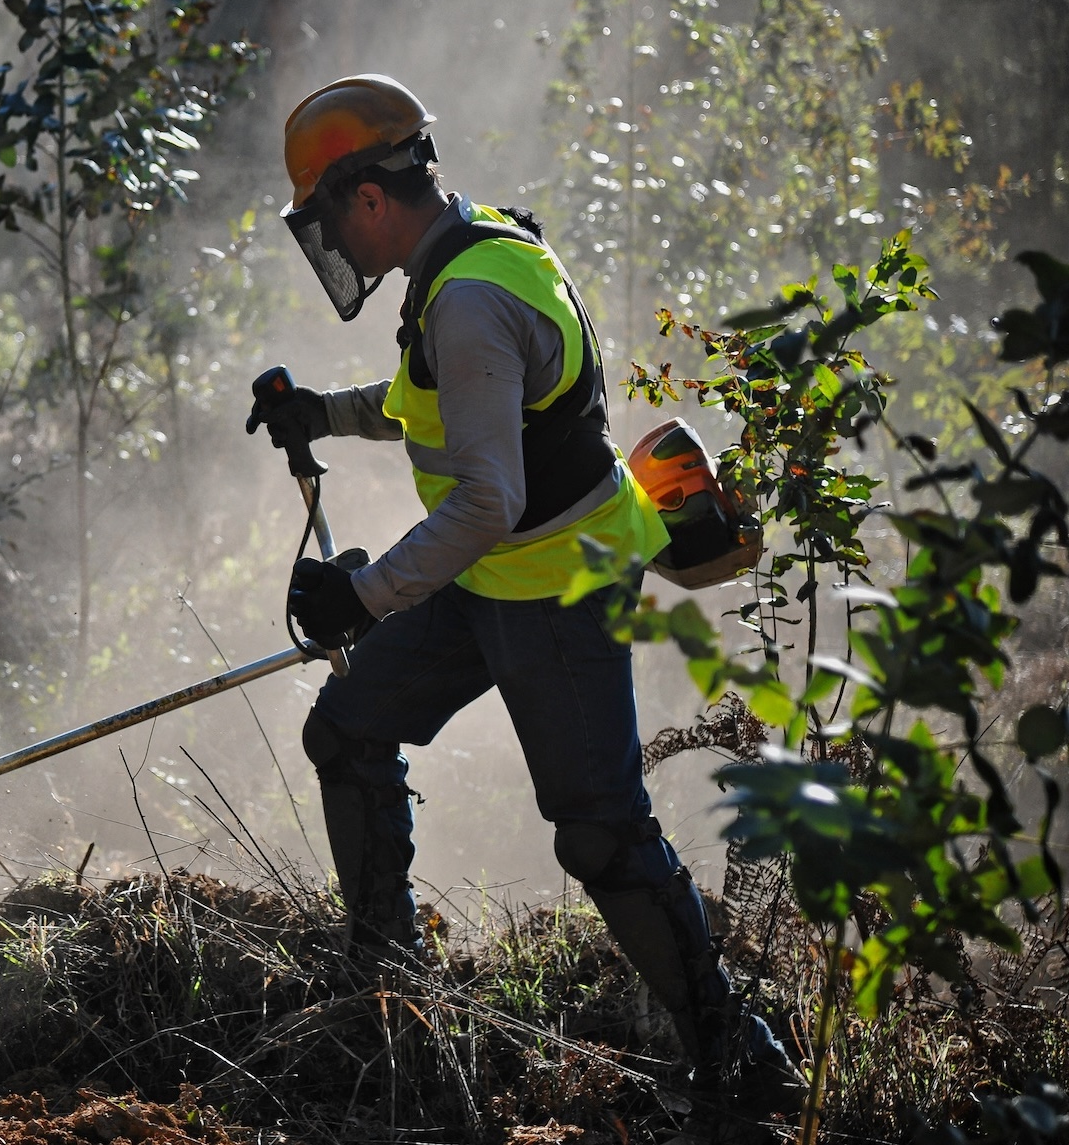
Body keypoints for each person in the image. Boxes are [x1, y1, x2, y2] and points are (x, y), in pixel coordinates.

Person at [247, 73, 801, 1099]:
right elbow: (445, 405)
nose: (336, 246)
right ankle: (392, 992)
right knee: (350, 729)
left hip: (552, 587)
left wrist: (362, 601)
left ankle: (740, 1059)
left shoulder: (467, 298)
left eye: (330, 218)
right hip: (493, 575)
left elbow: (487, 499)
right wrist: (323, 412)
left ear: (369, 196)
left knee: (598, 828)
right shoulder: (477, 243)